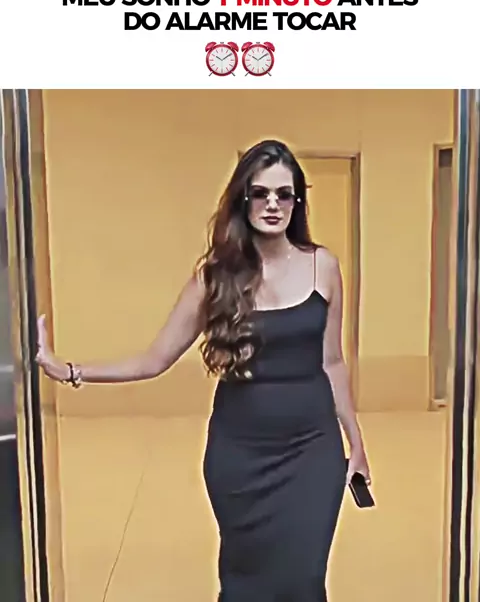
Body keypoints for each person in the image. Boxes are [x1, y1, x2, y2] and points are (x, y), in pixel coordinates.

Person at [36, 139, 371, 601]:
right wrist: (70, 370)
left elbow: (331, 361)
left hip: (312, 449)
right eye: (260, 193)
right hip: (241, 454)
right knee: (246, 584)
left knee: (304, 579)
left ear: (297, 202)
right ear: (243, 199)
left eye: (284, 194)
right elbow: (154, 359)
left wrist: (356, 441)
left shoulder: (323, 266)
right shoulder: (216, 276)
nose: (273, 204)